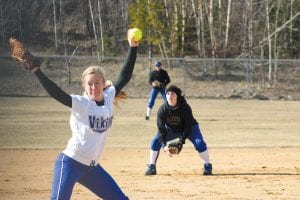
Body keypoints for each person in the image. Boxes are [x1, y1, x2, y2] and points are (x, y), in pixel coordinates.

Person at [15, 37, 138, 199]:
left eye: (97, 83)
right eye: (90, 84)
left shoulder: (109, 96)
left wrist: (133, 47)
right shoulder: (81, 103)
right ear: (84, 86)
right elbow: (56, 93)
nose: (94, 87)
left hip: (92, 169)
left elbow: (125, 76)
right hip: (70, 163)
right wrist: (36, 70)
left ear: (103, 83)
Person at [144, 85, 212, 176]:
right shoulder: (162, 110)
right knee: (154, 142)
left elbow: (187, 126)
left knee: (200, 143)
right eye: (168, 93)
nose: (170, 95)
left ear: (177, 96)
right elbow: (161, 129)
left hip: (190, 128)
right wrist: (164, 146)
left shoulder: (185, 108)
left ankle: (207, 165)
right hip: (171, 129)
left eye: (172, 93)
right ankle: (151, 166)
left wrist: (181, 140)